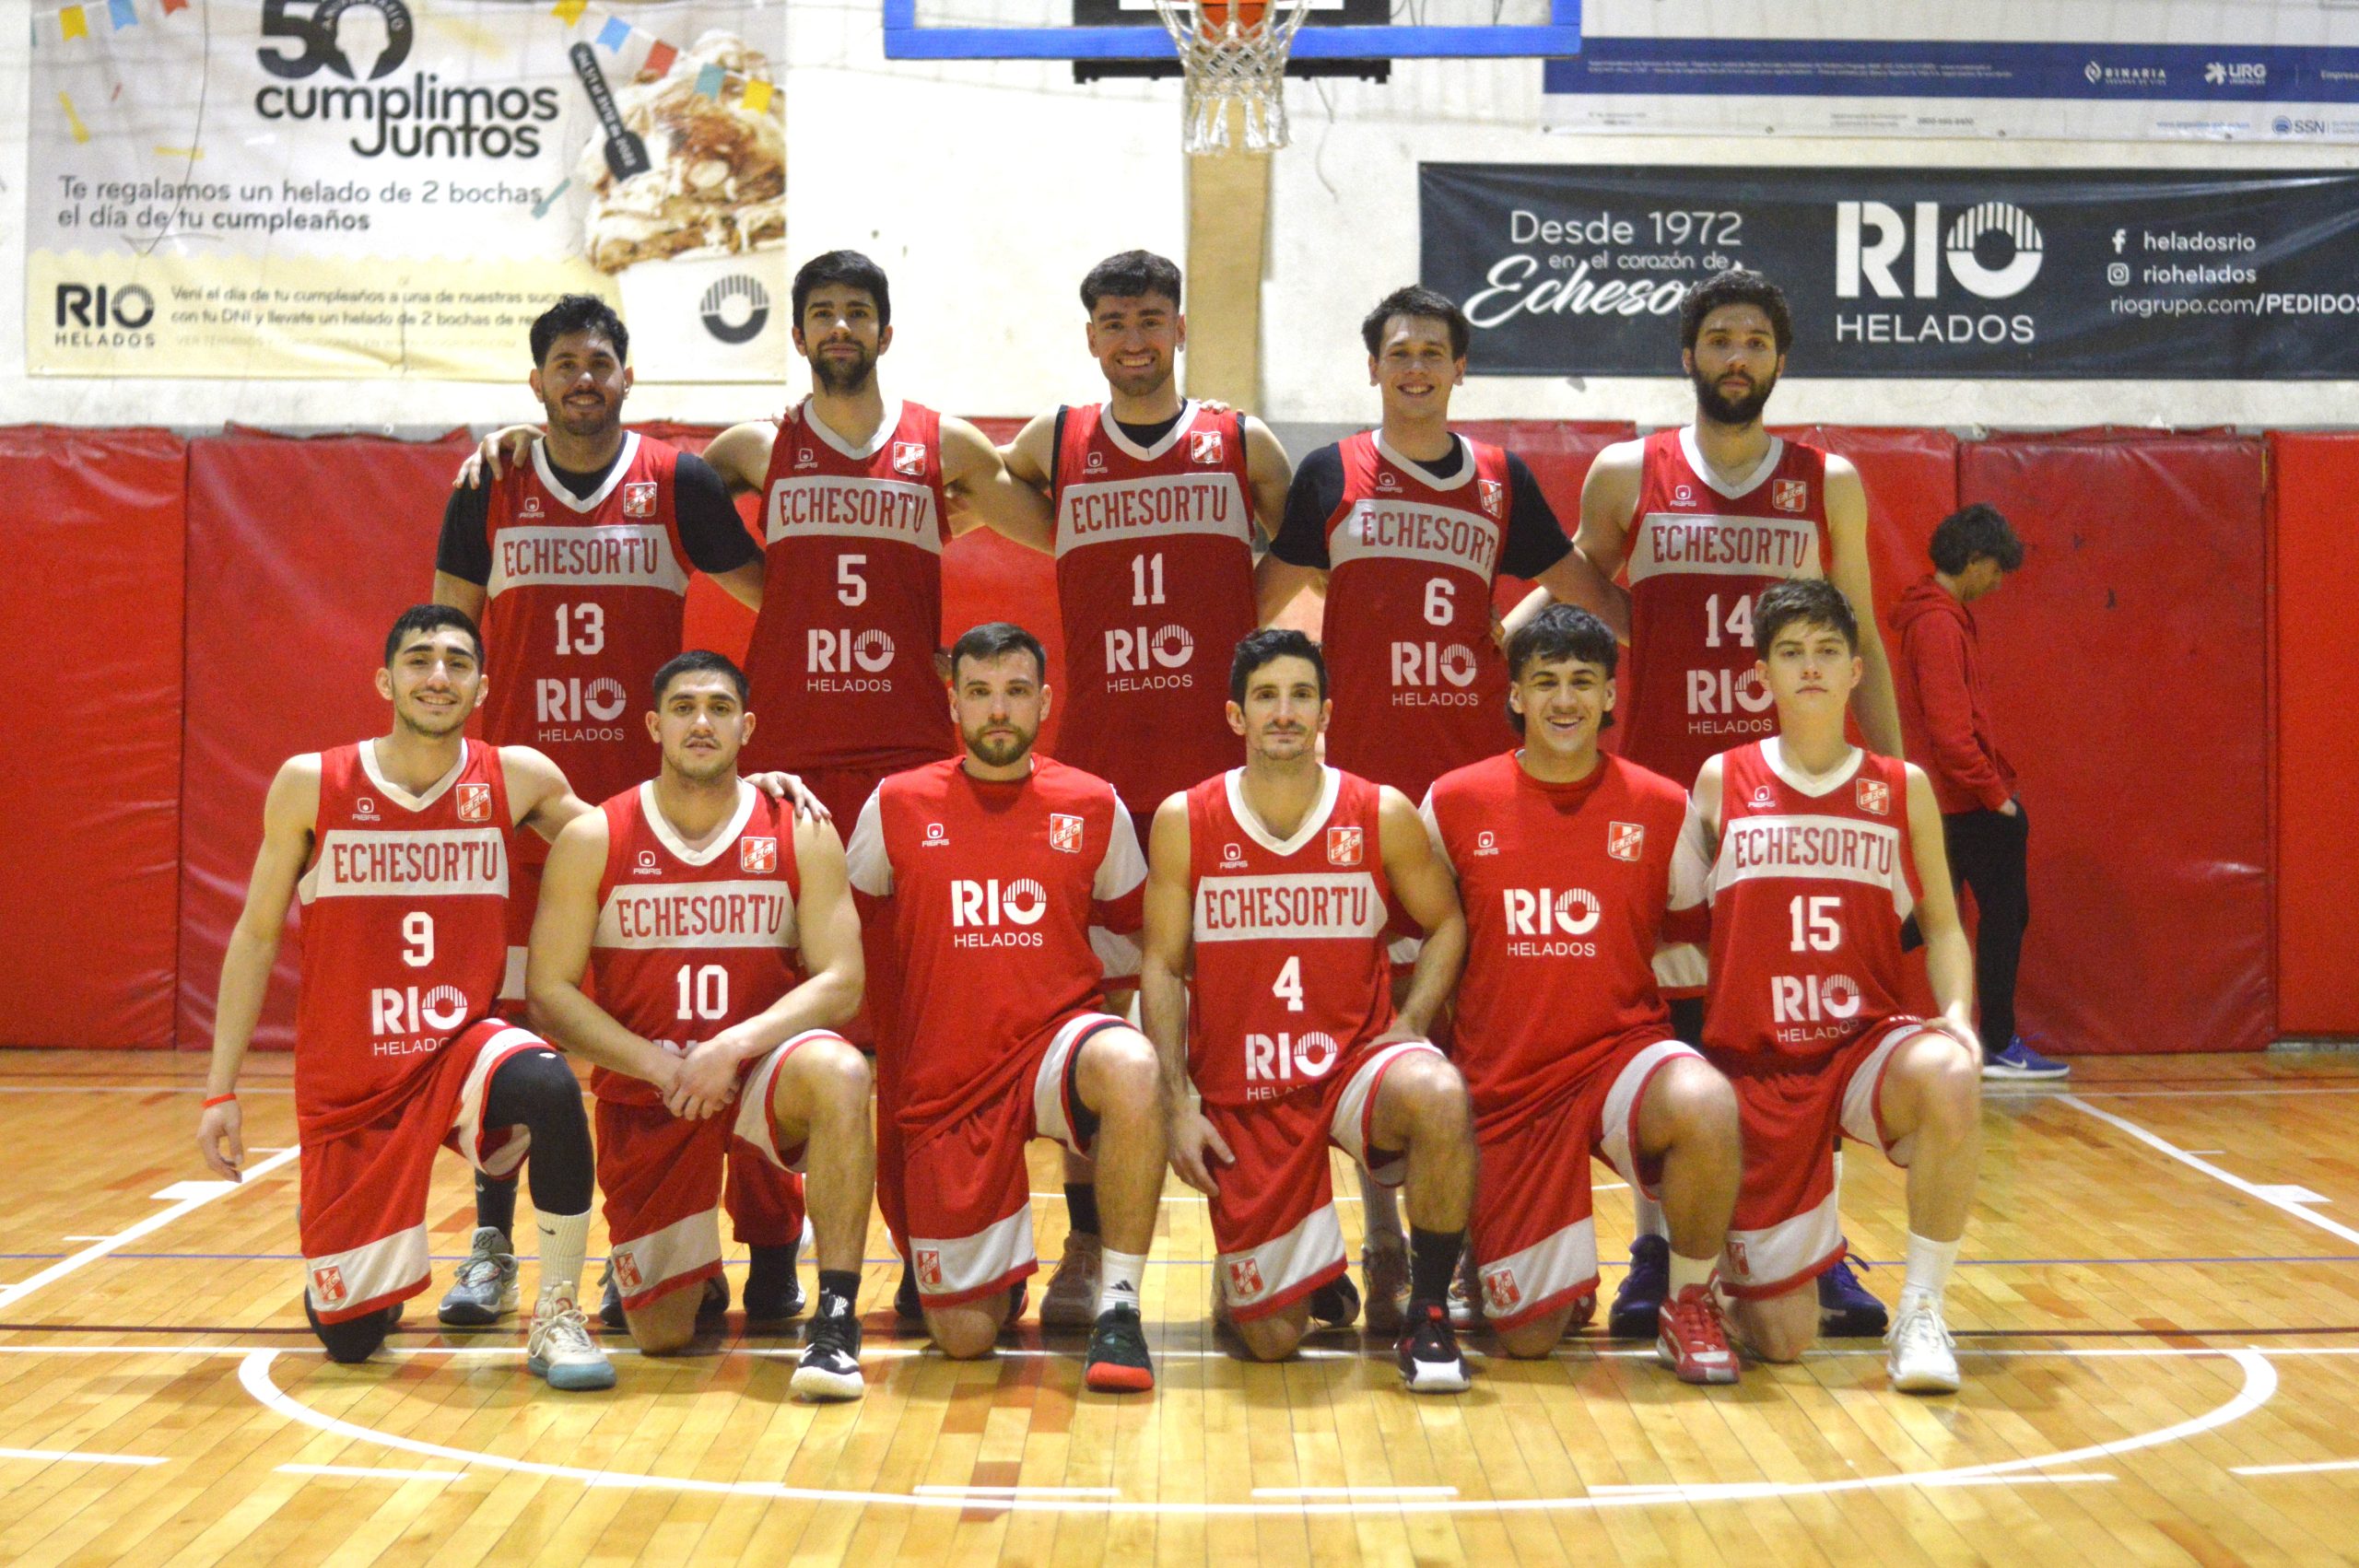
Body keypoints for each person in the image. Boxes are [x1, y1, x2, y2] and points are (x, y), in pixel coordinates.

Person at [435, 293, 804, 1334]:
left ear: (627, 376)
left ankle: (721, 1250)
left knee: (702, 1030)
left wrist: (769, 750)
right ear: (537, 382)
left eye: (599, 362)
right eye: (564, 363)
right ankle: (494, 1245)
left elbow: (781, 602)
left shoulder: (676, 481)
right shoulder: (491, 484)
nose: (583, 379)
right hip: (523, 822)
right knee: (514, 1045)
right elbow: (447, 644)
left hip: (660, 820)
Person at [1252, 285, 1602, 1328]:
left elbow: (1576, 582)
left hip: (1474, 779)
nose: (1415, 367)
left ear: (1459, 369)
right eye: (1398, 352)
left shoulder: (1500, 478)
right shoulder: (1331, 472)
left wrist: (1514, 625)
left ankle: (1479, 1230)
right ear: (1374, 368)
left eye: (1433, 352)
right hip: (1364, 780)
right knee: (1375, 1009)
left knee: (1475, 1009)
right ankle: (1385, 1242)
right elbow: (1261, 601)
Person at [1567, 267, 1901, 1340]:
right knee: (1667, 1022)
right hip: (1666, 789)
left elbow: (1862, 637)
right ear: (1688, 355)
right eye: (1719, 338)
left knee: (1806, 1020)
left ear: (1779, 359)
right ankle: (1656, 1245)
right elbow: (1573, 589)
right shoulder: (1628, 473)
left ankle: (1815, 1246)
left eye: (1755, 339)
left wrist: (1893, 787)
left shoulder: (1826, 480)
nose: (1737, 356)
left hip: (1794, 790)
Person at [194, 606, 612, 1389]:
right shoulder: (312, 784)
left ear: (481, 687)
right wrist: (221, 1089)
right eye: (419, 660)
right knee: (353, 1340)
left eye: (458, 662)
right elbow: (255, 936)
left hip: (460, 1048)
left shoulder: (516, 777)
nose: (438, 676)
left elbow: (625, 845)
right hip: (353, 1077)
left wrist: (740, 792)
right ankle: (348, 1251)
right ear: (386, 681)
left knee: (551, 1085)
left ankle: (557, 1310)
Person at [997, 250, 1295, 1328]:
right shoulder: (1057, 442)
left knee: (1239, 1016)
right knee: (1098, 1019)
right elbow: (964, 476)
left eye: (1151, 319)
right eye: (1115, 322)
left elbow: (1300, 539)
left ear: (1179, 329)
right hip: (1101, 777)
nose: (1134, 338)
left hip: (1219, 774)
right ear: (1091, 338)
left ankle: (1251, 1236)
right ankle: (1085, 1244)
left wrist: (1241, 613)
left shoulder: (1240, 441)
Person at [525, 650, 875, 1399]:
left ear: (747, 726)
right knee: (662, 1334)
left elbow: (844, 981)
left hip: (760, 1074)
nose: (702, 722)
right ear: (655, 725)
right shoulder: (595, 837)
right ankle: (693, 1270)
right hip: (655, 1089)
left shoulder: (800, 828)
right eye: (683, 707)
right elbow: (548, 995)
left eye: (720, 708)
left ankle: (835, 1318)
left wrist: (733, 1046)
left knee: (842, 1070)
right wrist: (662, 1066)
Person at [1140, 628, 1480, 1391]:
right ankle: (1297, 1274)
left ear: (1326, 712)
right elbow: (1159, 965)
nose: (1285, 713)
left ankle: (1428, 1312)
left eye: (1301, 696)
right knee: (1269, 1341)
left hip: (1353, 1064)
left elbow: (1447, 922)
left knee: (1438, 1093)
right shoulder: (1185, 819)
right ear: (1237, 715)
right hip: (1245, 1080)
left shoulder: (1380, 811)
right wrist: (1177, 1099)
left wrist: (1412, 1023)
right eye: (1266, 697)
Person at [1676, 579, 1985, 1393]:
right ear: (1762, 676)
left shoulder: (1901, 786)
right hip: (1756, 1064)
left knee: (1951, 1074)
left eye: (1826, 651)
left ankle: (1923, 1311)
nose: (1809, 667)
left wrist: (1957, 1014)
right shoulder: (1719, 780)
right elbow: (1678, 927)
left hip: (1859, 1046)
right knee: (1783, 1342)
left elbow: (1943, 926)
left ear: (1855, 670)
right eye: (1790, 653)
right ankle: (1736, 1278)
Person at [843, 623, 1168, 1393]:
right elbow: (845, 927)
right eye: (981, 692)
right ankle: (998, 1271)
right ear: (953, 702)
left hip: (1054, 1049)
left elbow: (1145, 938)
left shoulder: (1093, 803)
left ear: (1045, 702)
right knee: (964, 1338)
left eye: (1016, 692)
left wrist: (1125, 1029)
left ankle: (1119, 1304)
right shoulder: (895, 804)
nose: (998, 710)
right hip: (949, 1075)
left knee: (1129, 1064)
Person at [1421, 604, 1743, 1381]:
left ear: (1608, 696)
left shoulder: (1661, 805)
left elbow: (1689, 935)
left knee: (1705, 1101)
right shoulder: (1453, 801)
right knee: (1531, 1338)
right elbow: (1425, 940)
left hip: (1615, 1057)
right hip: (1507, 1084)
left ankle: (1689, 1300)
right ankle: (1520, 1265)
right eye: (1545, 682)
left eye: (1582, 682)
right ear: (1516, 696)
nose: (1564, 700)